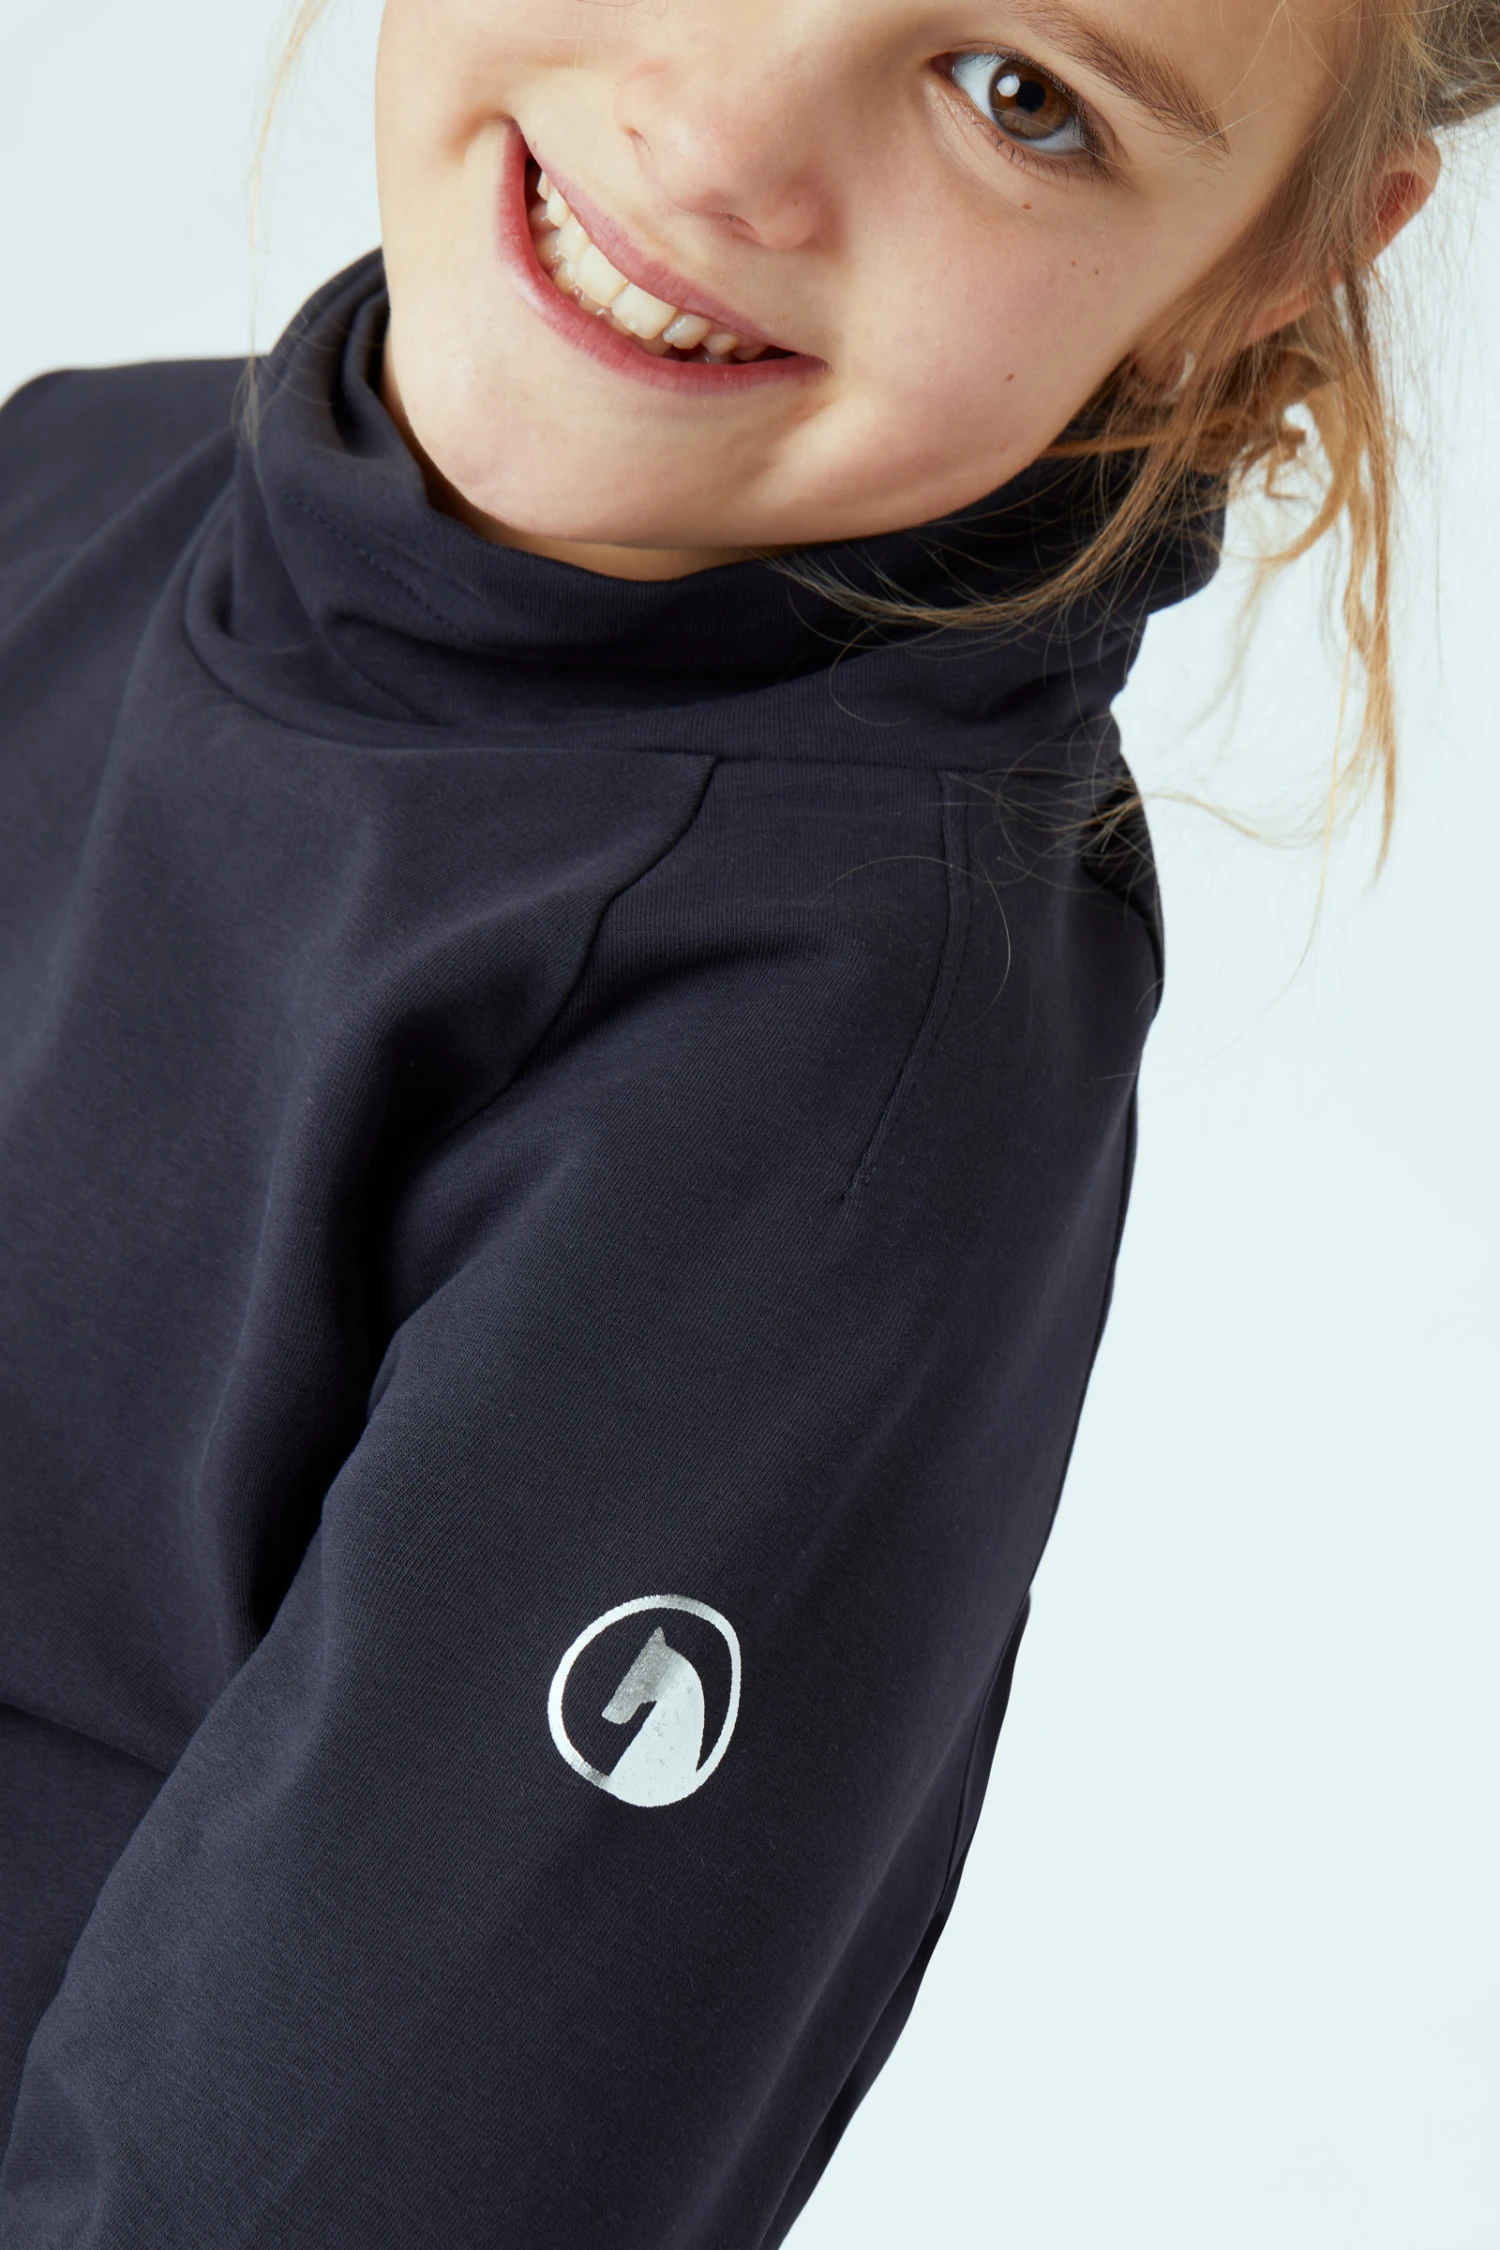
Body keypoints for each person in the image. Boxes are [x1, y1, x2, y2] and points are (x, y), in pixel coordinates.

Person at [0, 1, 1492, 2243]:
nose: (710, 140)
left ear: (1263, 266)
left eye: (1020, 97)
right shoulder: (71, 473)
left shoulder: (847, 1046)